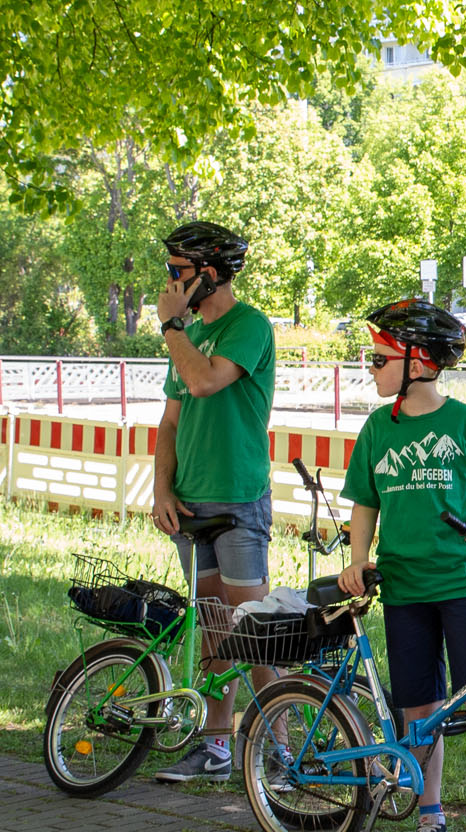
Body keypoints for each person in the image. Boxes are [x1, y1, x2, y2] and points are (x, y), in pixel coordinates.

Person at [337, 299, 466, 832]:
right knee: (420, 710)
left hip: (463, 581)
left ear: (417, 362)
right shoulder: (376, 428)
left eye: (378, 358)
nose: (371, 368)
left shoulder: (465, 423)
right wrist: (358, 559)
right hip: (403, 587)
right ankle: (431, 817)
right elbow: (365, 501)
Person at [151, 221, 276, 783]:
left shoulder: (248, 326)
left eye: (178, 272)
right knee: (215, 627)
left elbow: (203, 384)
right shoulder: (186, 336)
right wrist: (160, 488)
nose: (170, 283)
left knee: (257, 629)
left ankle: (280, 748)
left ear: (209, 272)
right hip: (190, 506)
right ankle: (216, 746)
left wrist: (173, 326)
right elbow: (171, 420)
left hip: (239, 500)